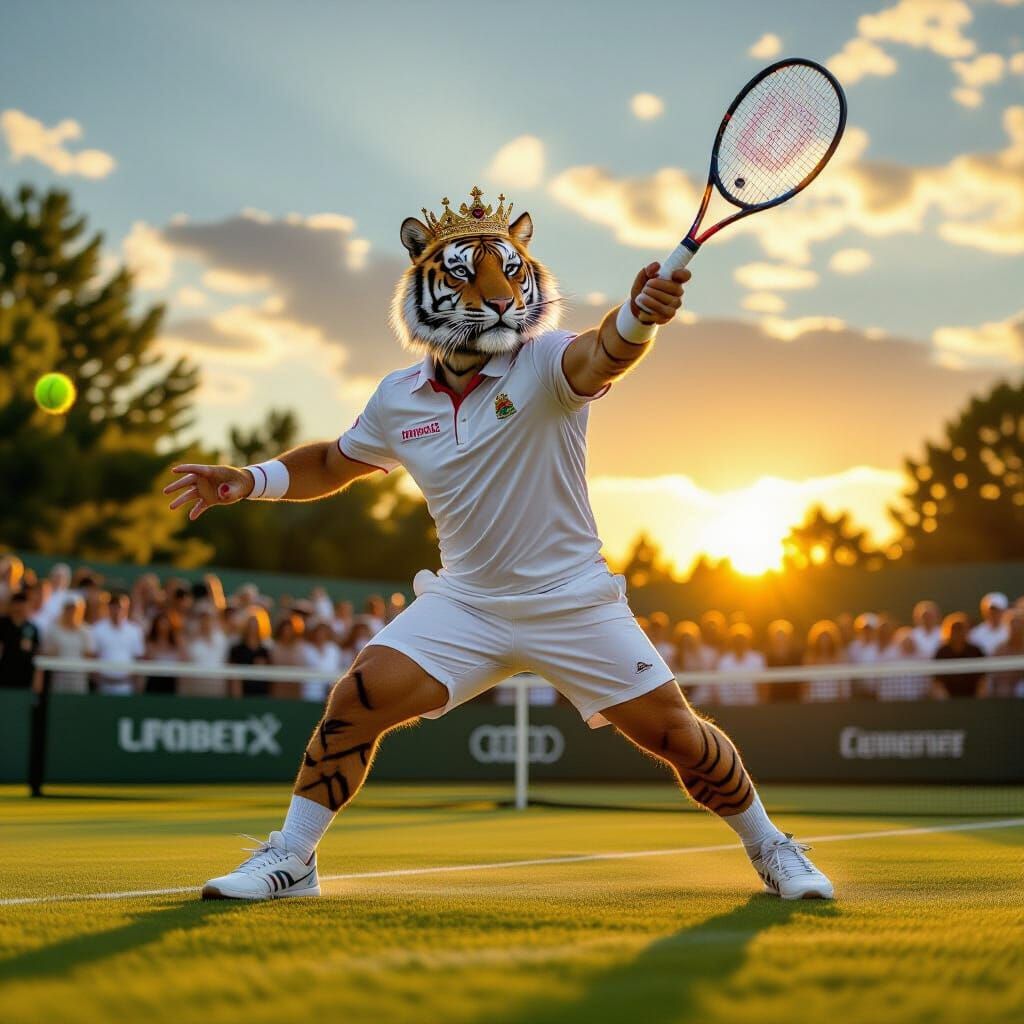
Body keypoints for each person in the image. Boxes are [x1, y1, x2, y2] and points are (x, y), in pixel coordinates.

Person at [167, 185, 831, 902]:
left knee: (678, 737)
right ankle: (293, 859)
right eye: (463, 274)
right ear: (421, 284)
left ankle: (772, 847)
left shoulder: (545, 361)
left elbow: (604, 353)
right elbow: (332, 462)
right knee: (357, 698)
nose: (495, 293)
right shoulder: (397, 397)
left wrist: (640, 314)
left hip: (571, 600)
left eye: (510, 273)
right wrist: (250, 479)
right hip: (466, 603)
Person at [88, 593, 145, 695]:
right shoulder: (97, 629)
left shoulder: (135, 631)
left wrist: (137, 684)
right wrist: (98, 680)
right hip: (103, 687)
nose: (117, 610)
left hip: (127, 687)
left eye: (120, 607)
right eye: (114, 607)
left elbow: (139, 658)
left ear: (127, 608)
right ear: (108, 608)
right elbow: (92, 657)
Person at [41, 595, 94, 694]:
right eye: (68, 609)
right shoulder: (53, 630)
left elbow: (89, 655)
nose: (72, 612)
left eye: (75, 609)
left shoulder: (86, 631)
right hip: (59, 680)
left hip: (79, 680)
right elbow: (47, 654)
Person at [181, 605, 230, 698]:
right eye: (203, 618)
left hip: (217, 684)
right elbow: (186, 661)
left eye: (208, 618)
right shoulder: (191, 640)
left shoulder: (221, 638)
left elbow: (225, 660)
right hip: (195, 685)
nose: (206, 622)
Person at [934, 613, 985, 698]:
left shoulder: (976, 651)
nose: (957, 633)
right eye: (954, 629)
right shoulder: (941, 652)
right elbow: (937, 683)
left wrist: (978, 701)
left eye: (960, 629)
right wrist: (945, 701)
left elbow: (982, 681)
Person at [714, 623, 763, 706]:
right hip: (728, 706)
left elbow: (763, 686)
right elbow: (719, 686)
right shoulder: (723, 661)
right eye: (736, 639)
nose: (740, 642)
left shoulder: (758, 658)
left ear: (748, 640)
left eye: (743, 639)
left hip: (753, 705)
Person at [0, 592, 41, 690]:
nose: (20, 609)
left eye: (23, 605)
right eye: (17, 605)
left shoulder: (32, 628)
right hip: (3, 674)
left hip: (25, 676)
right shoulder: (2, 625)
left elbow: (36, 652)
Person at [802, 620, 850, 702]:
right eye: (821, 639)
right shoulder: (809, 659)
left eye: (827, 639)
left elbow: (843, 684)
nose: (824, 642)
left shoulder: (840, 658)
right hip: (815, 702)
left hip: (835, 702)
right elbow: (805, 685)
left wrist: (841, 701)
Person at [229, 610, 272, 698]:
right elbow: (234, 675)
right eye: (250, 626)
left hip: (261, 694)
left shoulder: (265, 651)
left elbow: (270, 675)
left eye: (255, 626)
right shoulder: (237, 650)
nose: (253, 629)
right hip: (243, 694)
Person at [301, 621, 343, 703]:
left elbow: (336, 668)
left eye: (324, 632)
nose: (321, 635)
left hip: (330, 690)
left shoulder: (334, 649)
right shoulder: (305, 648)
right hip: (310, 690)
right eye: (318, 632)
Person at [761, 619, 802, 703]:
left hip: (794, 699)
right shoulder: (767, 656)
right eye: (777, 636)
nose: (780, 639)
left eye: (783, 636)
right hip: (773, 700)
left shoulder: (797, 656)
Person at [143, 611, 184, 694]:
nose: (163, 627)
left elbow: (184, 658)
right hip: (154, 681)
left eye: (165, 623)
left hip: (171, 681)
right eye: (160, 623)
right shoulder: (150, 643)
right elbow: (146, 659)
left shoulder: (176, 643)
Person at [992, 613, 1024, 698]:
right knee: (1003, 689)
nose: (1016, 630)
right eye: (1013, 627)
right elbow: (995, 674)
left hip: (1021, 683)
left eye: (1019, 627)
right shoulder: (1000, 649)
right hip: (1005, 683)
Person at [969, 592, 1009, 656]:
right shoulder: (974, 634)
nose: (994, 614)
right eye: (991, 610)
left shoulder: (1010, 632)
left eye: (997, 610)